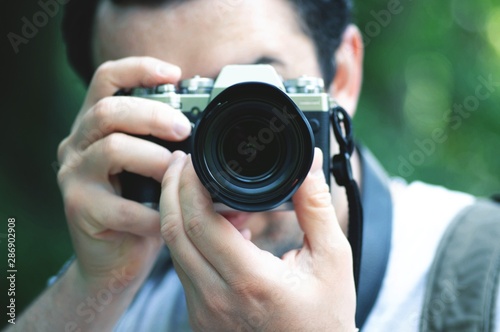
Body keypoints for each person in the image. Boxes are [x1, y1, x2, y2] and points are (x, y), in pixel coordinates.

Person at [9, 0, 499, 331]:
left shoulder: (484, 282)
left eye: (259, 95)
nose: (225, 149)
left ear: (343, 78)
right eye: (176, 109)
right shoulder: (130, 299)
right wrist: (95, 287)